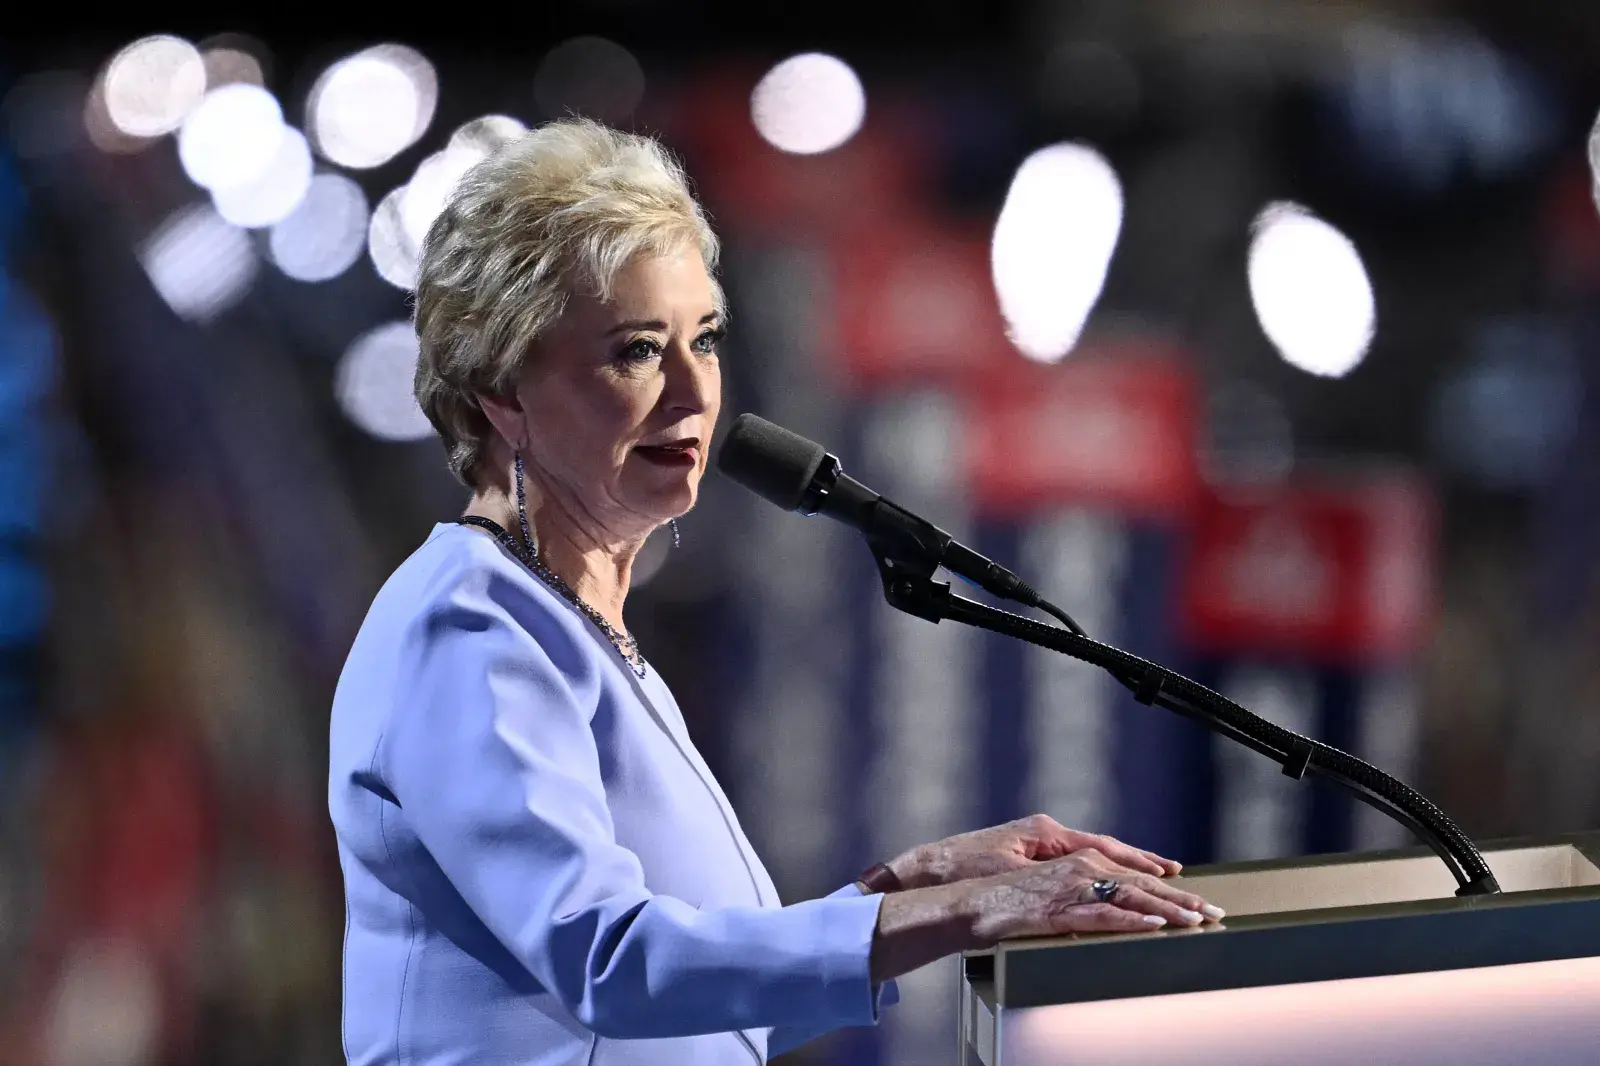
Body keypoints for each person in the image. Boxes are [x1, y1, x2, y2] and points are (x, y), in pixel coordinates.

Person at [328, 118, 1222, 1066]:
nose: (692, 392)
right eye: (636, 350)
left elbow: (718, 1015)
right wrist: (956, 910)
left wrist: (911, 887)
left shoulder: (570, 623)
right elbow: (611, 963)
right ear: (497, 391)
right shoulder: (470, 627)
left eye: (703, 340)